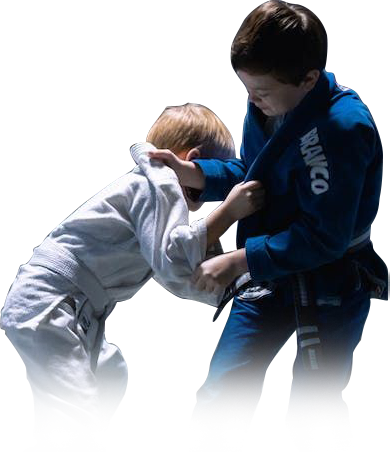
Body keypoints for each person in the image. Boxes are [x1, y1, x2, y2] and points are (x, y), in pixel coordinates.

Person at [146, 2, 388, 452]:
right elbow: (253, 170)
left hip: (331, 273)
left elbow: (324, 237)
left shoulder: (343, 128)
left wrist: (240, 258)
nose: (252, 99)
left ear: (309, 79)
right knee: (221, 396)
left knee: (313, 409)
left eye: (261, 91)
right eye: (248, 89)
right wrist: (197, 175)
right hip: (268, 273)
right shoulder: (274, 99)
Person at [0, 104, 264, 452]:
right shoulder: (160, 182)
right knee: (76, 431)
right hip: (50, 299)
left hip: (65, 303)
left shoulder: (152, 190)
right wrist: (229, 212)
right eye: (210, 191)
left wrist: (234, 278)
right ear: (194, 160)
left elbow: (179, 262)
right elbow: (173, 262)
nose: (206, 204)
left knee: (109, 373)